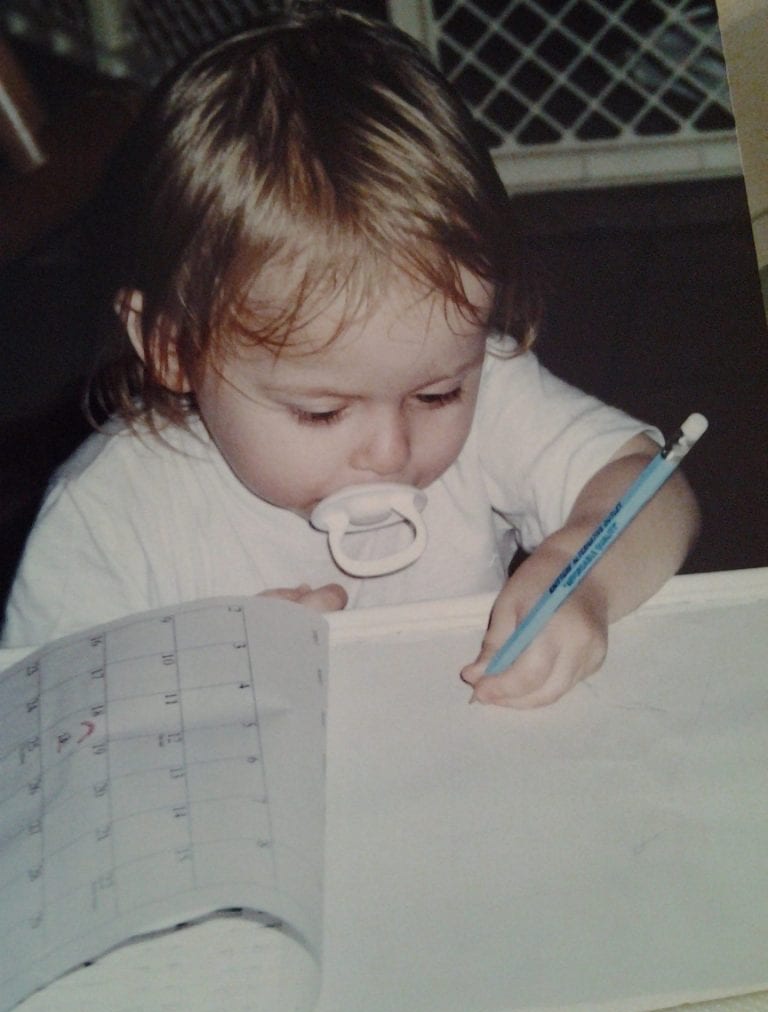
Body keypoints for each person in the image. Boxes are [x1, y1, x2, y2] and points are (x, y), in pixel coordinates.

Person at [1, 6, 700, 708]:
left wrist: (583, 577)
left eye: (437, 396)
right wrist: (205, 678)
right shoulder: (107, 517)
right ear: (171, 348)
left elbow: (651, 490)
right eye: (322, 412)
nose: (391, 451)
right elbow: (43, 723)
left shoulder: (487, 387)